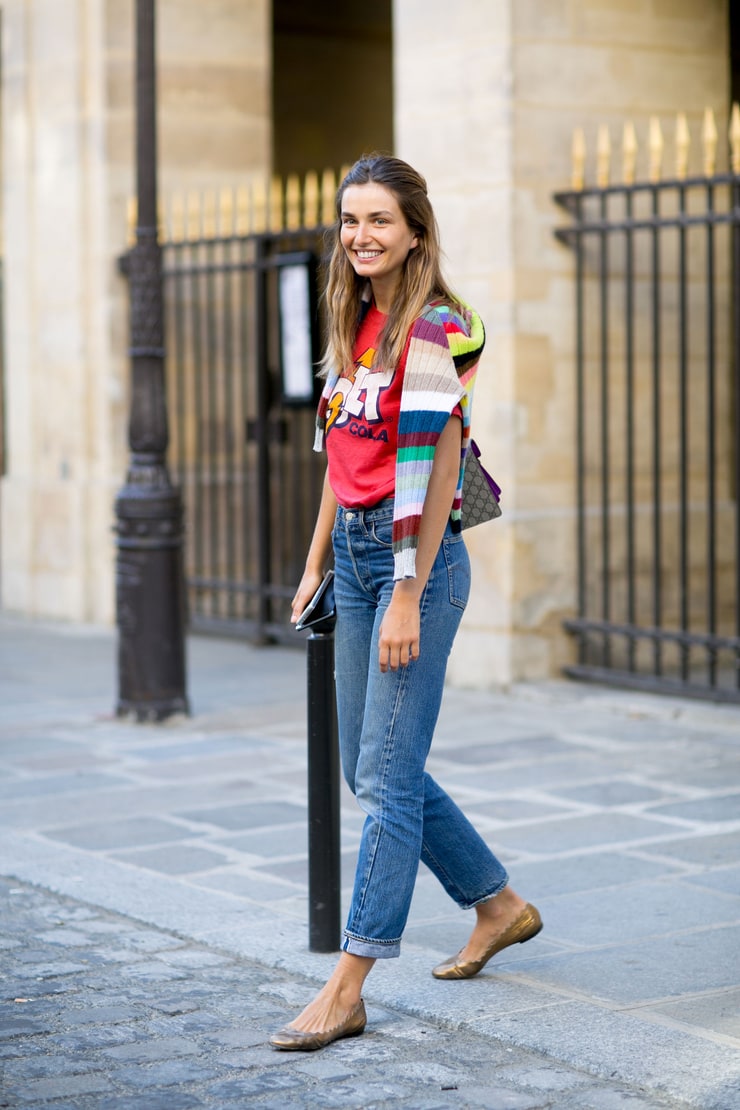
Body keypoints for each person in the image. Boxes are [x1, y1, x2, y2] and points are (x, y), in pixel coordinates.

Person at [270, 154, 541, 1052]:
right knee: (370, 765)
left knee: (385, 779)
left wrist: (404, 597)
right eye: (350, 220)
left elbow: (424, 473)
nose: (361, 235)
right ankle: (497, 905)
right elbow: (338, 467)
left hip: (412, 561)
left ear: (416, 231)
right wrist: (314, 567)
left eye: (380, 220)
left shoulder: (433, 331)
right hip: (353, 555)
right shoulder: (354, 322)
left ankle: (349, 983)